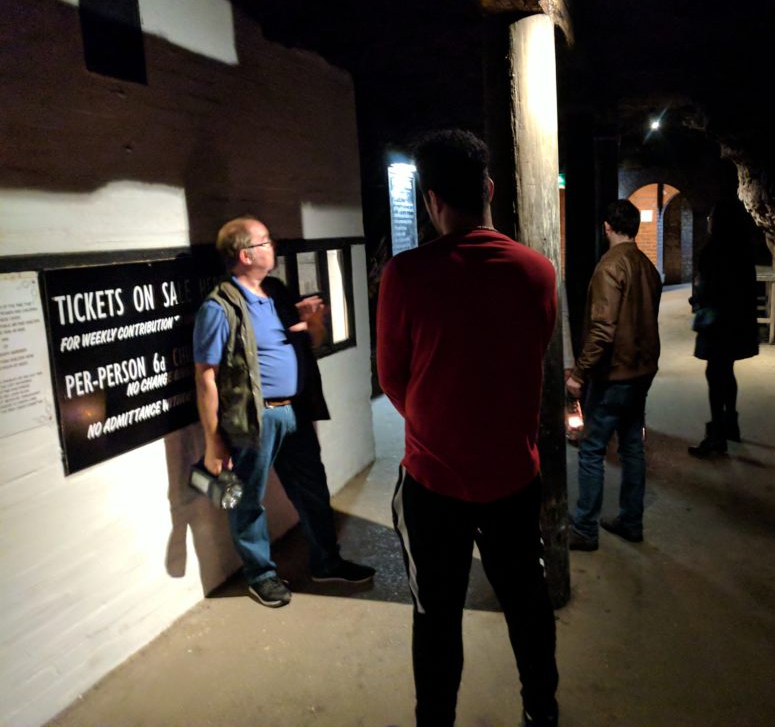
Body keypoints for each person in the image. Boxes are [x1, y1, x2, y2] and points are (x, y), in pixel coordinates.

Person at [376, 129, 560, 727]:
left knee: (436, 616)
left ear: (430, 200)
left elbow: (393, 380)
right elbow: (534, 355)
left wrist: (440, 420)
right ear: (487, 189)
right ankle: (541, 711)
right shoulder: (538, 271)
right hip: (513, 474)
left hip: (433, 482)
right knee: (527, 605)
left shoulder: (404, 276)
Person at [193, 217, 375, 608]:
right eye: (266, 241)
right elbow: (206, 377)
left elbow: (313, 341)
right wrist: (213, 442)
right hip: (254, 420)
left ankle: (326, 562)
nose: (273, 246)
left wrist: (313, 323)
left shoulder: (275, 291)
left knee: (312, 488)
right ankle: (260, 575)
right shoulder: (218, 308)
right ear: (245, 255)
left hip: (294, 413)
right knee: (248, 499)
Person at [566, 200, 662, 551]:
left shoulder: (609, 267)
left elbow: (603, 329)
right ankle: (631, 521)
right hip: (642, 370)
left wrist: (579, 373)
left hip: (614, 374)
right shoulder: (647, 266)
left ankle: (585, 528)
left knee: (591, 448)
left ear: (606, 226)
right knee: (632, 446)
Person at [687, 200, 759, 457]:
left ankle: (717, 435)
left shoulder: (712, 251)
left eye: (711, 217)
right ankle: (731, 424)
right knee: (726, 372)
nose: (708, 221)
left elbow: (707, 288)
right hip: (736, 323)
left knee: (715, 375)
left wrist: (696, 301)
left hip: (717, 324)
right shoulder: (743, 250)